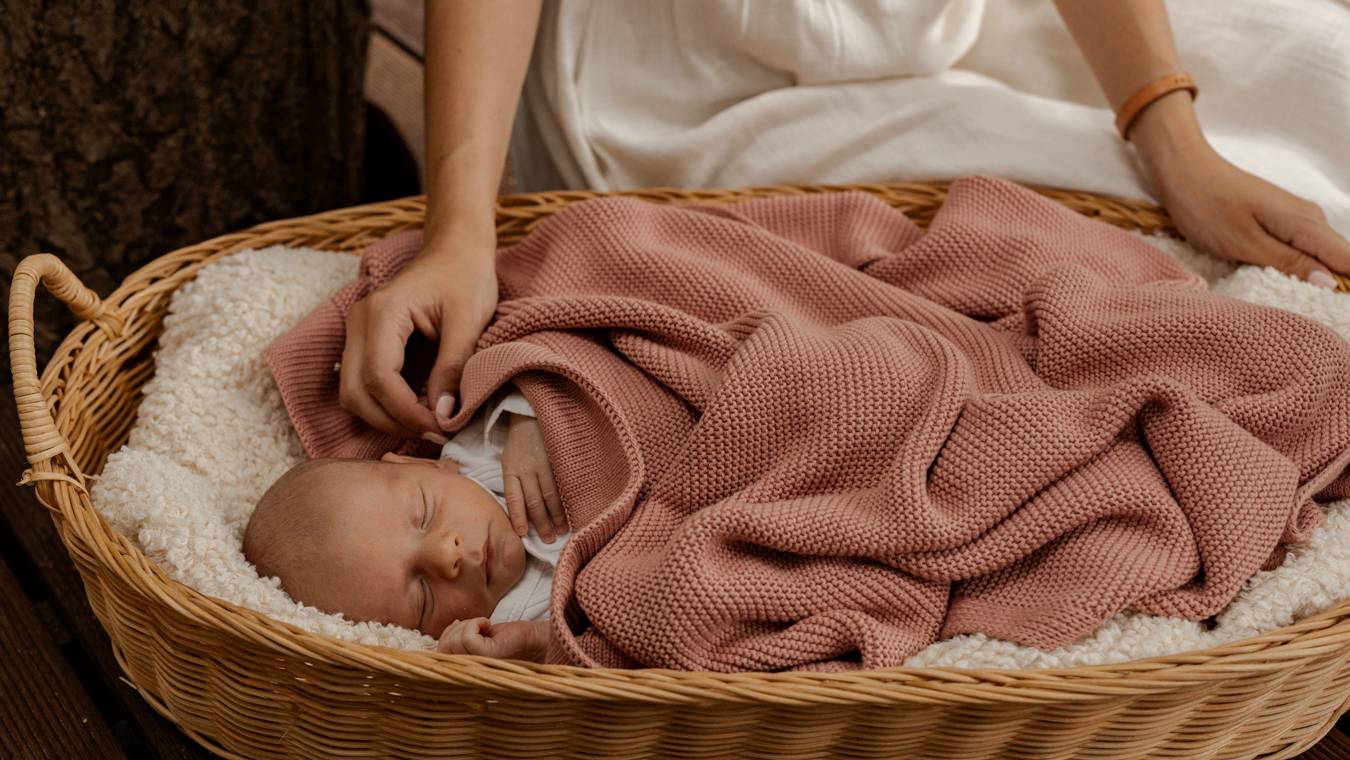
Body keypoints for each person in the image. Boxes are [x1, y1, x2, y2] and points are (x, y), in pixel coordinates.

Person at [340, 0, 1350, 471]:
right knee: (1055, 196)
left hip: (930, 20)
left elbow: (1182, 127)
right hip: (693, 89)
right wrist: (460, 230)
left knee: (1320, 74)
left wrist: (1171, 136)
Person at [243, 381, 568, 661]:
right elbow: (602, 656)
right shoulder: (505, 632)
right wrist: (540, 643)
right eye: (423, 597)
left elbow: (552, 360)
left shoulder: (488, 440)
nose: (446, 554)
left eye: (425, 513)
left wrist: (531, 420)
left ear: (424, 465)